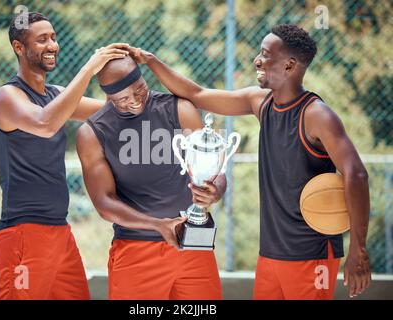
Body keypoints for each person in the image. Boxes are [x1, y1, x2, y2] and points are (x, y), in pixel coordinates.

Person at [128, 24, 371, 300]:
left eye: (266, 55)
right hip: (271, 252)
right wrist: (150, 61)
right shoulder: (261, 102)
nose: (257, 59)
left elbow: (356, 174)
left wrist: (358, 249)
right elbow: (197, 95)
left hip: (310, 252)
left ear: (289, 66)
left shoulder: (317, 115)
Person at [0, 11, 129, 299]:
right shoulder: (7, 97)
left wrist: (123, 76)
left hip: (59, 232)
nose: (52, 45)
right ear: (19, 47)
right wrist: (88, 69)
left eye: (54, 37)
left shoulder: (55, 95)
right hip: (23, 233)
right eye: (42, 40)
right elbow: (45, 123)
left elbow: (111, 112)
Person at [76, 55, 226, 299]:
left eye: (140, 90)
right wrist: (158, 224)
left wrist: (215, 189)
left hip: (192, 243)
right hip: (136, 249)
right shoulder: (93, 133)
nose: (135, 101)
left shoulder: (178, 109)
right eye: (123, 98)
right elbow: (104, 203)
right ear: (107, 96)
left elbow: (214, 170)